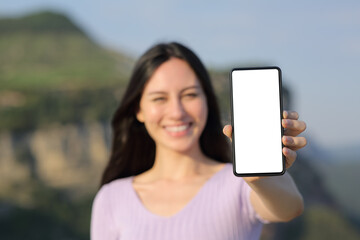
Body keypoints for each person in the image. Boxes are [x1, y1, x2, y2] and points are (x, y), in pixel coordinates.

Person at [91, 42, 307, 240]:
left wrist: (260, 177)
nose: (177, 112)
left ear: (207, 101)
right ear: (139, 109)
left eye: (190, 95)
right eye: (159, 98)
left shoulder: (240, 185)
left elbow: (289, 208)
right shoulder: (111, 199)